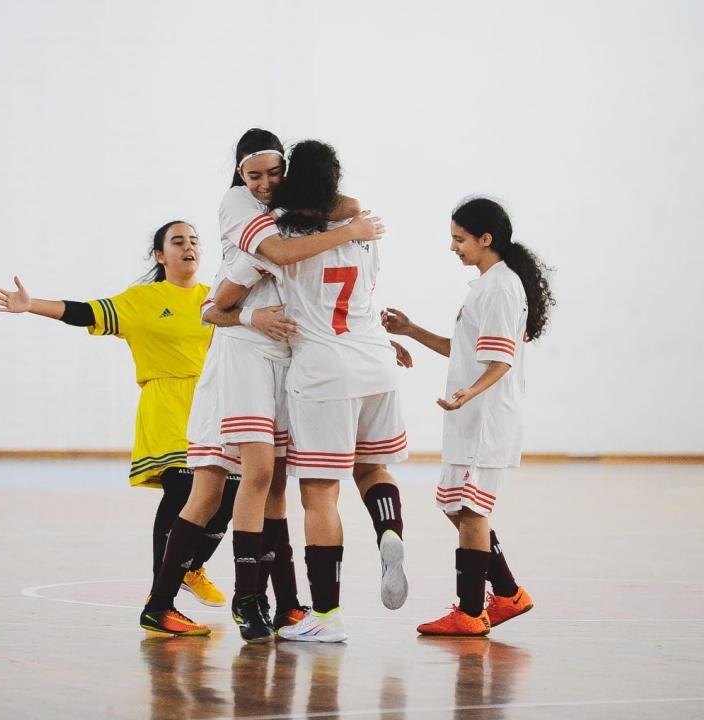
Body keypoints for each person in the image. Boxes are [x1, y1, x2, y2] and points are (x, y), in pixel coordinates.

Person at [0, 220, 293, 634]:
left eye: (194, 240)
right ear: (159, 255)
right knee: (185, 490)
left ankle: (190, 568)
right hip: (167, 406)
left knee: (229, 499)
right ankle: (161, 596)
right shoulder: (143, 300)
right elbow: (86, 312)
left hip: (216, 405)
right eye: (177, 241)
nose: (188, 247)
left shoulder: (216, 299)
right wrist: (32, 305)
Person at [142, 130, 382, 643]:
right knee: (250, 477)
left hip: (287, 362)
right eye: (256, 175)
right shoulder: (250, 223)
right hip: (243, 358)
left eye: (277, 174)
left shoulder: (300, 230)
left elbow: (344, 208)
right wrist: (252, 317)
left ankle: (284, 603)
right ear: (240, 176)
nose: (267, 183)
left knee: (263, 484)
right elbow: (215, 306)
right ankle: (246, 599)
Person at [218, 140, 411, 642]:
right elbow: (362, 292)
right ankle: (390, 529)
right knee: (373, 468)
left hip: (325, 373)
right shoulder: (367, 231)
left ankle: (326, 616)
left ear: (290, 177)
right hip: (376, 362)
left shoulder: (279, 238)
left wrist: (243, 312)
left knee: (321, 495)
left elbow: (219, 303)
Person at [382, 197, 554, 636]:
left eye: (459, 239)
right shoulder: (485, 286)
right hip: (469, 418)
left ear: (485, 239)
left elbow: (501, 361)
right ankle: (509, 593)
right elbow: (462, 352)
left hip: (485, 421)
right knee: (456, 508)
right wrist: (411, 330)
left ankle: (471, 612)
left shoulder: (500, 287)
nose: (453, 247)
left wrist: (467, 395)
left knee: (471, 512)